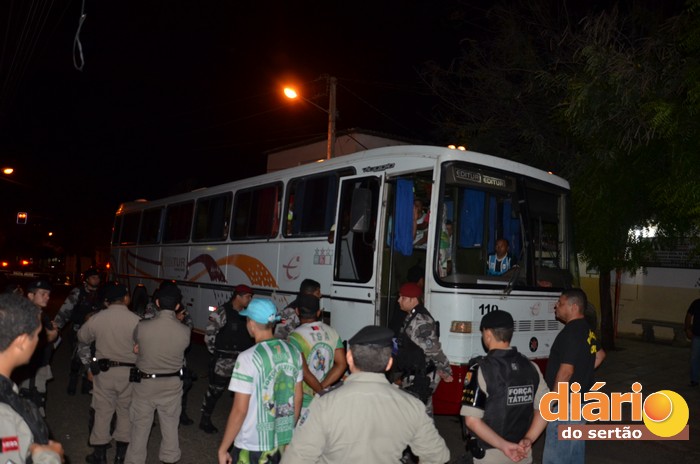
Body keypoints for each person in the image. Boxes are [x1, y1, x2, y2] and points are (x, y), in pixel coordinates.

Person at [281, 325, 450, 464]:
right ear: (389, 363)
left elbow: (297, 458)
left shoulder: (325, 403)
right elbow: (438, 456)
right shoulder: (411, 405)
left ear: (349, 358)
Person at [217, 299, 303, 464]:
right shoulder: (294, 352)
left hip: (252, 445)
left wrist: (223, 449)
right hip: (281, 443)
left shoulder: (247, 358)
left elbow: (240, 410)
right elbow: (297, 398)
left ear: (251, 323)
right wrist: (287, 432)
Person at [461, 310, 548, 464]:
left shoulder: (481, 369)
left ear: (488, 334)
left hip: (490, 456)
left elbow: (472, 421)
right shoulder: (531, 367)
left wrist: (504, 446)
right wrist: (529, 438)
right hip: (522, 454)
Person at [124, 283, 190, 464]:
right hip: (172, 385)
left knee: (139, 428)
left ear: (157, 303)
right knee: (170, 427)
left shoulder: (142, 326)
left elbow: (137, 345)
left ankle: (135, 461)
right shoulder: (185, 331)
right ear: (178, 306)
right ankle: (169, 459)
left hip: (145, 385)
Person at [77, 281, 141, 464]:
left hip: (104, 373)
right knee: (125, 413)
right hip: (129, 374)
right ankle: (120, 457)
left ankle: (100, 456)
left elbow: (81, 338)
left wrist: (89, 364)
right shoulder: (137, 320)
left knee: (102, 413)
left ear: (107, 301)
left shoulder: (97, 318)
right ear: (126, 298)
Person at [541, 289, 606, 464]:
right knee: (574, 454)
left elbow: (566, 371)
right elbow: (600, 355)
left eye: (560, 303)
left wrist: (552, 401)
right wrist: (582, 372)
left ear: (574, 307)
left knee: (556, 457)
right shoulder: (586, 329)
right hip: (580, 403)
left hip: (565, 405)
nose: (556, 306)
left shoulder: (570, 333)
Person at [0, 294, 65, 464]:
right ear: (21, 341)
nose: (38, 341)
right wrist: (50, 456)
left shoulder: (6, 390)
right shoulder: (4, 413)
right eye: (37, 335)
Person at [199, 284, 255, 434]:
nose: (250, 299)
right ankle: (205, 419)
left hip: (242, 362)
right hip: (224, 362)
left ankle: (241, 424)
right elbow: (209, 335)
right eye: (248, 297)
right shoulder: (222, 312)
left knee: (243, 393)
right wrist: (217, 354)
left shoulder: (248, 314)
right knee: (215, 391)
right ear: (238, 296)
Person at [139, 279, 196, 425]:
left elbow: (189, 326)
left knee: (182, 384)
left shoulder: (180, 307)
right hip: (156, 351)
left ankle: (181, 413)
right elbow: (147, 323)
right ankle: (150, 415)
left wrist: (179, 321)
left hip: (175, 351)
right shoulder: (153, 306)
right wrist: (174, 320)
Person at [394, 282, 453, 415]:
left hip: (422, 376)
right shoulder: (412, 316)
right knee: (420, 414)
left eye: (403, 297)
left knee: (417, 415)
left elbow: (433, 349)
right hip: (415, 374)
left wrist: (445, 369)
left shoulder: (420, 321)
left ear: (413, 299)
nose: (398, 300)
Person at [287, 294, 346, 418]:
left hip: (304, 402)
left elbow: (304, 371)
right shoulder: (332, 332)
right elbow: (341, 364)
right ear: (318, 312)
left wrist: (319, 390)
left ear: (297, 311)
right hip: (326, 398)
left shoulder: (294, 337)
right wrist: (323, 388)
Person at [52, 267, 102, 395]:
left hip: (96, 332)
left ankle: (86, 385)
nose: (96, 280)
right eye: (93, 277)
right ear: (87, 279)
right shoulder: (78, 292)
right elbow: (65, 311)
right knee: (76, 359)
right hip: (78, 330)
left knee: (93, 357)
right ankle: (72, 384)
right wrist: (56, 328)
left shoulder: (101, 294)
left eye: (98, 277)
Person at [17, 280, 58, 417]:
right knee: (31, 406)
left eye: (48, 294)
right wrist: (51, 335)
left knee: (36, 403)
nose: (47, 297)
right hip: (30, 370)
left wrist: (52, 332)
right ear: (30, 295)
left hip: (39, 366)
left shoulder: (40, 314)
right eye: (43, 294)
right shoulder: (26, 314)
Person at [685, 298, 700, 387]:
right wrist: (687, 329)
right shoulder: (696, 303)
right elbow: (689, 315)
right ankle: (694, 380)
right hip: (697, 335)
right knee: (694, 358)